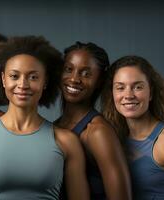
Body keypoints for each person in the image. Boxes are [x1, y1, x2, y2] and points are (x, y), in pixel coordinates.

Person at [0, 36, 90, 200]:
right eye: (14, 76)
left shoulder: (67, 141)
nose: (23, 85)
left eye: (33, 77)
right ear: (3, 79)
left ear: (45, 81)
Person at [55, 41, 131, 200]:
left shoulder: (97, 132)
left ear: (99, 81)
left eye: (86, 73)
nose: (74, 79)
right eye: (69, 69)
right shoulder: (55, 126)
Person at [101, 55, 164, 200]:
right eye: (120, 87)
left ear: (151, 93)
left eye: (138, 87)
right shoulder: (115, 139)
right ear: (112, 93)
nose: (128, 95)